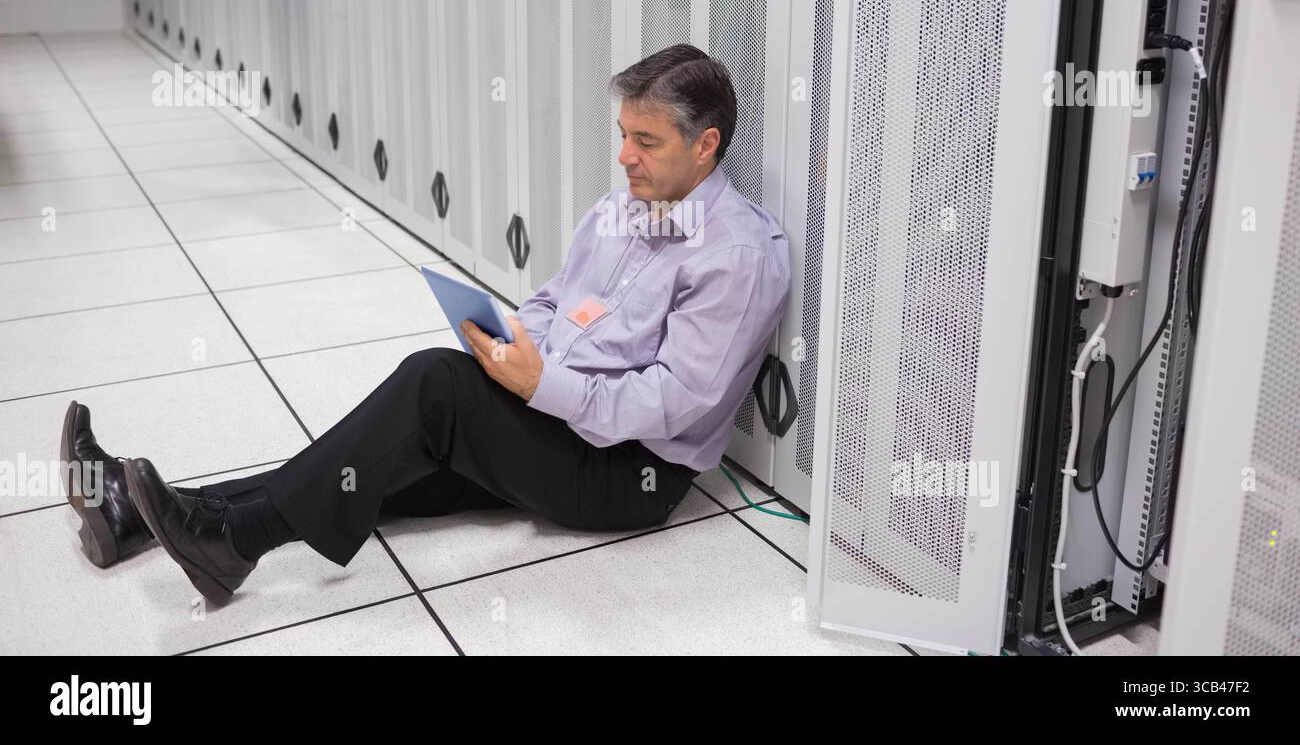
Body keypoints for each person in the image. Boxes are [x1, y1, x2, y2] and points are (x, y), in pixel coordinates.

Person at [60, 43, 792, 606]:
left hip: (628, 473)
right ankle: (142, 517)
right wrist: (516, 342)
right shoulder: (623, 207)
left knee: (431, 388)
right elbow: (556, 298)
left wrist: (544, 386)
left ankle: (231, 545)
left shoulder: (736, 256)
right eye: (623, 134)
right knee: (367, 463)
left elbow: (673, 402)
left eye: (647, 142)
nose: (624, 156)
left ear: (706, 145)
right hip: (555, 411)